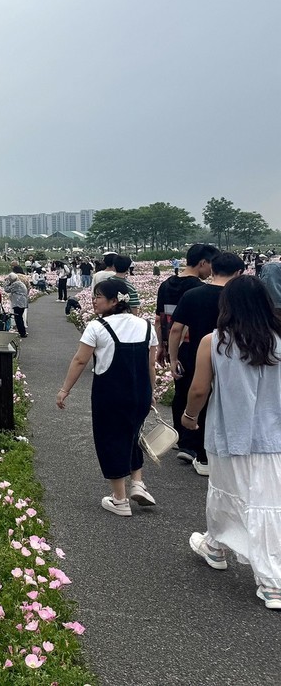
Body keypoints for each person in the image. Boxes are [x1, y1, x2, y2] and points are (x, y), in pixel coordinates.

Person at [179, 276, 281, 610]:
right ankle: (216, 546)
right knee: (263, 499)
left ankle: (272, 581)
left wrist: (190, 417)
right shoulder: (278, 340)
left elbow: (198, 389)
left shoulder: (216, 341)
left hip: (229, 433)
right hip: (274, 435)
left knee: (231, 493)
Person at [56, 278, 158, 516]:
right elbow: (150, 364)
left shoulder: (97, 327)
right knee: (133, 435)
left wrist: (65, 390)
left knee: (110, 439)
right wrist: (151, 393)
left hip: (110, 394)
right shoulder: (146, 326)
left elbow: (80, 360)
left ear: (114, 301)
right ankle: (138, 483)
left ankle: (120, 499)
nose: (93, 301)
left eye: (98, 297)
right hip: (140, 392)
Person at [169, 251, 246, 475]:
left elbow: (176, 329)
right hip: (231, 356)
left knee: (198, 397)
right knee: (226, 402)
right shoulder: (239, 297)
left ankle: (198, 452)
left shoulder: (193, 295)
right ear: (239, 273)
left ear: (211, 270)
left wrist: (174, 359)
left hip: (195, 353)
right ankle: (225, 454)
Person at [155, 243, 217, 368]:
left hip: (173, 348)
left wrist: (161, 346)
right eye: (212, 265)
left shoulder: (165, 285)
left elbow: (158, 320)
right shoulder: (200, 289)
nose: (212, 271)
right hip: (196, 347)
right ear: (203, 263)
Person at [4, 268, 29, 338]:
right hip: (22, 302)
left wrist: (6, 282)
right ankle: (22, 332)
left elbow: (7, 289)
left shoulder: (16, 284)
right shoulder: (19, 283)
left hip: (18, 303)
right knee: (19, 317)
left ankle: (22, 333)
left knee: (18, 318)